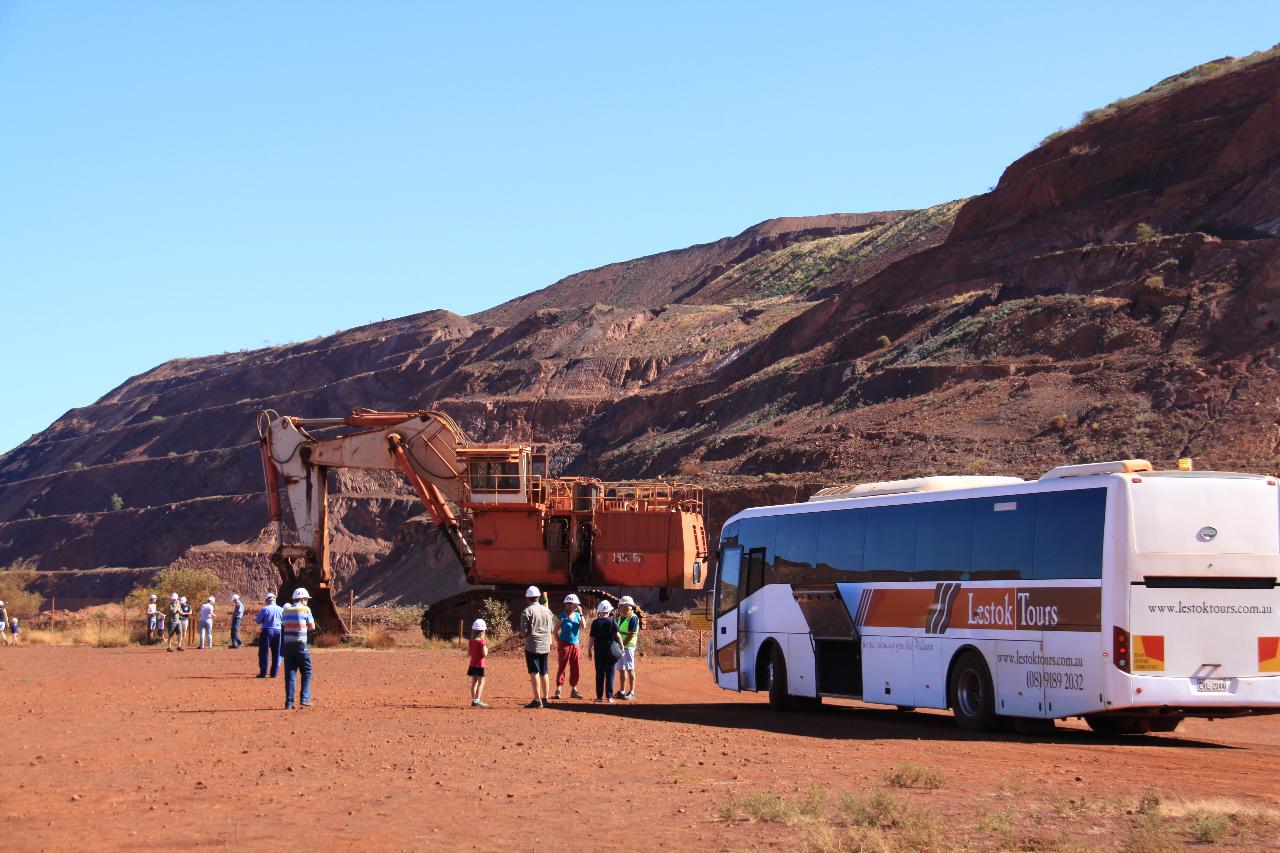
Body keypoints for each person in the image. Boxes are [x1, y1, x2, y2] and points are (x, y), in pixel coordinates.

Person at [518, 585, 554, 708]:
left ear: (527, 598)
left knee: (534, 672)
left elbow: (524, 632)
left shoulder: (527, 612)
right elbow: (552, 629)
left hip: (532, 646)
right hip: (545, 646)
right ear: (538, 597)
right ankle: (546, 698)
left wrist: (521, 636)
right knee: (544, 671)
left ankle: (537, 700)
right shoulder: (548, 611)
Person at [281, 587, 316, 709]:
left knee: (290, 674)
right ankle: (304, 698)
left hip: (287, 645)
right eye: (306, 599)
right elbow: (312, 627)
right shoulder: (305, 609)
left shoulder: (286, 610)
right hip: (300, 644)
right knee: (307, 671)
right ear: (302, 599)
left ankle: (289, 703)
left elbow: (284, 624)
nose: (307, 601)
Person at [587, 600, 623, 703]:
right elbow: (618, 636)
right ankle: (609, 697)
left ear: (599, 611)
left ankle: (599, 698)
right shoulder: (612, 621)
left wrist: (589, 650)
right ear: (609, 611)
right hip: (610, 651)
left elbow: (591, 639)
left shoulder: (595, 622)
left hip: (598, 651)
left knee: (599, 674)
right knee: (610, 673)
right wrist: (622, 646)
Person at [553, 593, 584, 700]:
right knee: (562, 665)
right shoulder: (562, 616)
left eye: (577, 604)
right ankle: (558, 690)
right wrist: (559, 642)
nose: (576, 606)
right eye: (575, 604)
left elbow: (583, 626)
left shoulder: (577, 615)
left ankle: (574, 690)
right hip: (564, 644)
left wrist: (581, 613)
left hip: (575, 644)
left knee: (575, 666)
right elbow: (555, 631)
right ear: (568, 604)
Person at [614, 595, 641, 700]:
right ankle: (622, 691)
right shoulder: (620, 618)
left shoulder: (633, 618)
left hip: (628, 647)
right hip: (621, 647)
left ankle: (632, 692)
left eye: (621, 605)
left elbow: (631, 634)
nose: (619, 607)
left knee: (630, 669)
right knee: (621, 669)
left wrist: (622, 644)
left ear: (627, 606)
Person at [255, 592, 283, 678]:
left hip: (267, 630)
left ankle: (263, 673)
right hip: (278, 631)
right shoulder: (281, 609)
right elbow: (284, 620)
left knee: (264, 651)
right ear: (274, 600)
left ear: (267, 600)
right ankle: (274, 673)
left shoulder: (265, 609)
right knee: (276, 652)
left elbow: (258, 621)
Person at [467, 618, 489, 708]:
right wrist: (486, 648)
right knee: (481, 682)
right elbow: (485, 654)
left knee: (474, 682)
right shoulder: (482, 642)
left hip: (472, 664)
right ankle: (477, 700)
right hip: (480, 665)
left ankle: (474, 700)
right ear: (483, 631)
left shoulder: (471, 642)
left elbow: (469, 653)